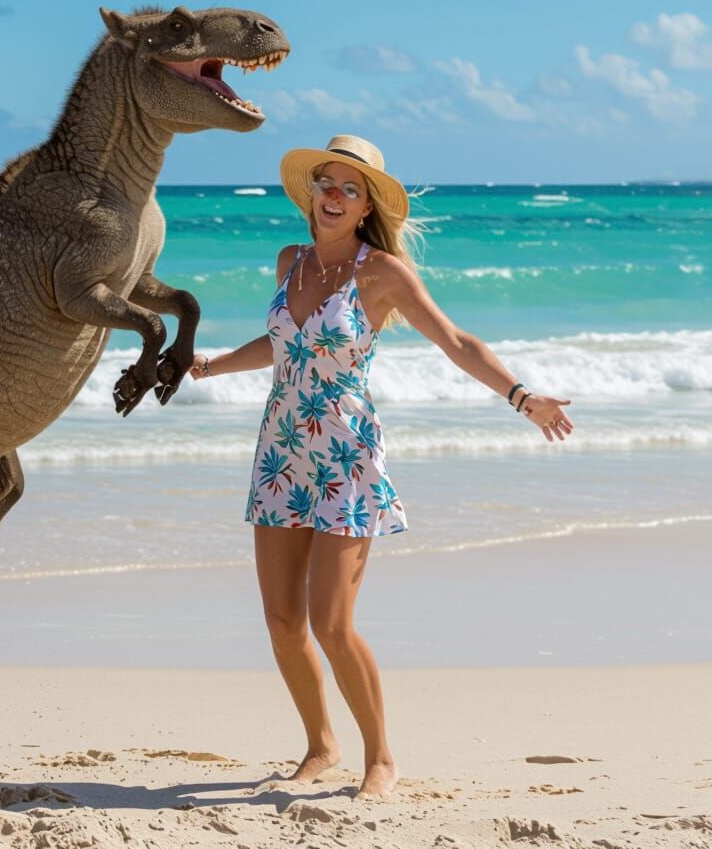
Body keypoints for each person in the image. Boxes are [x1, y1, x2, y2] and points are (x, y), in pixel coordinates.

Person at [190, 135, 573, 799]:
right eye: (326, 184)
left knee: (332, 622)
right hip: (281, 453)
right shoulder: (290, 261)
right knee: (283, 622)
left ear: (367, 207)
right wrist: (211, 364)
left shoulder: (383, 274)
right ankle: (321, 746)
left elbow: (457, 341)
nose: (333, 197)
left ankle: (381, 759)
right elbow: (283, 344)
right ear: (310, 192)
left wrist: (521, 396)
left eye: (349, 189)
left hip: (346, 456)